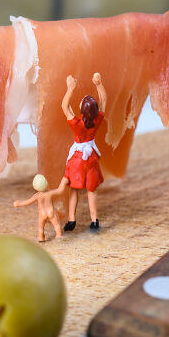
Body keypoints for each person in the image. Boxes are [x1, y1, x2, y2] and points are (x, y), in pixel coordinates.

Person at [61, 72, 107, 231]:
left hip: (78, 159)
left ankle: (71, 220)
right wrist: (99, 84)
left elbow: (65, 107)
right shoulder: (97, 120)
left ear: (82, 110)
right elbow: (103, 101)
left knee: (74, 188)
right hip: (91, 158)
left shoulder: (76, 124)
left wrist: (70, 89)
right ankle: (94, 220)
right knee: (91, 189)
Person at [14, 174, 69, 242]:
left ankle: (41, 237)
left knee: (40, 227)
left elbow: (27, 202)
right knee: (56, 224)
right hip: (50, 211)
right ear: (46, 183)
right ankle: (58, 235)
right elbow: (59, 190)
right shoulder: (49, 193)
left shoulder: (37, 196)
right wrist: (64, 181)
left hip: (42, 213)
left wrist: (19, 203)